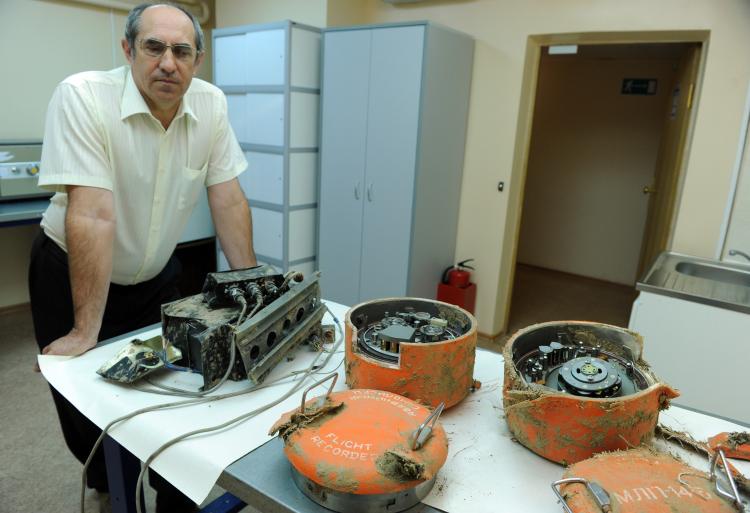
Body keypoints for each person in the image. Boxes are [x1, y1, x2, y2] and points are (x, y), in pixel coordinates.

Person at [29, 2, 256, 512]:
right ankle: (110, 486)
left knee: (169, 392)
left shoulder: (211, 104)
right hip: (71, 268)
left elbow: (228, 196)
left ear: (198, 59)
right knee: (88, 405)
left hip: (153, 273)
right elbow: (91, 215)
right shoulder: (84, 95)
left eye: (182, 51)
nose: (168, 64)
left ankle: (166, 489)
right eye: (154, 47)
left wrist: (252, 291)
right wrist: (87, 330)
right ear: (128, 49)